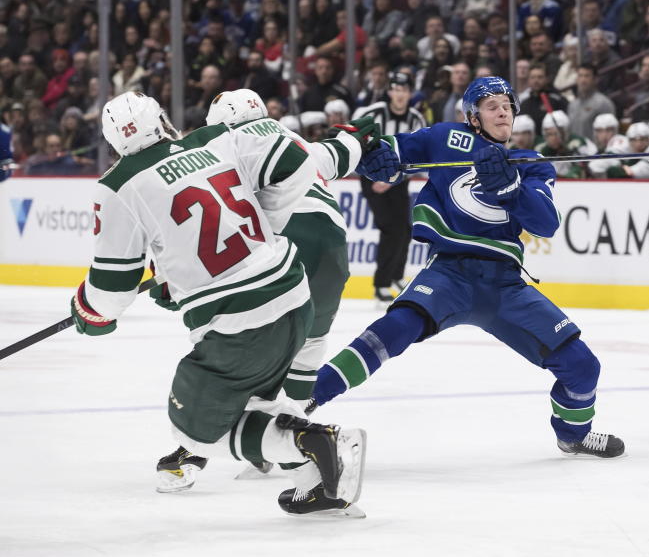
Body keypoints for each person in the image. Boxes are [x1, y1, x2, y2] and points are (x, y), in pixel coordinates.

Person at [71, 91, 367, 516]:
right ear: (161, 119)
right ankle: (315, 484)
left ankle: (311, 440)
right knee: (254, 404)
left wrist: (86, 312)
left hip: (239, 320)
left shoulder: (116, 185)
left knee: (193, 426)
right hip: (291, 290)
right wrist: (261, 233)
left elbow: (110, 292)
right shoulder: (211, 140)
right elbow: (296, 161)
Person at [311, 76, 625, 459]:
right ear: (473, 116)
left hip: (505, 286)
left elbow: (546, 223)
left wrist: (511, 188)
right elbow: (393, 153)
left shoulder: (529, 164)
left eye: (507, 105)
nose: (503, 111)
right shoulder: (446, 138)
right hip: (450, 274)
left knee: (582, 365)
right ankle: (307, 399)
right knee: (389, 333)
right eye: (492, 105)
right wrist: (370, 155)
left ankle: (573, 435)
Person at [153, 88, 365, 488]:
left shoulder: (225, 148)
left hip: (284, 245)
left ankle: (200, 448)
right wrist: (355, 137)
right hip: (334, 251)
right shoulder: (293, 140)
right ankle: (294, 442)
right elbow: (340, 154)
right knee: (304, 352)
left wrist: (170, 278)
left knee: (237, 347)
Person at [352, 72, 428, 304]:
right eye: (396, 89)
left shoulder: (416, 118)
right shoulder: (373, 113)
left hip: (399, 179)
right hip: (371, 178)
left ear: (410, 94)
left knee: (405, 228)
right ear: (390, 92)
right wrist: (373, 172)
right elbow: (354, 138)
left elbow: (421, 151)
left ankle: (395, 276)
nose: (400, 94)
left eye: (404, 90)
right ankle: (381, 284)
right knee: (390, 229)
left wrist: (396, 177)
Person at [535, 110, 597, 179]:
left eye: (556, 134)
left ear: (565, 132)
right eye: (549, 134)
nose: (553, 138)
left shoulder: (578, 144)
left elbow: (581, 169)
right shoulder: (541, 149)